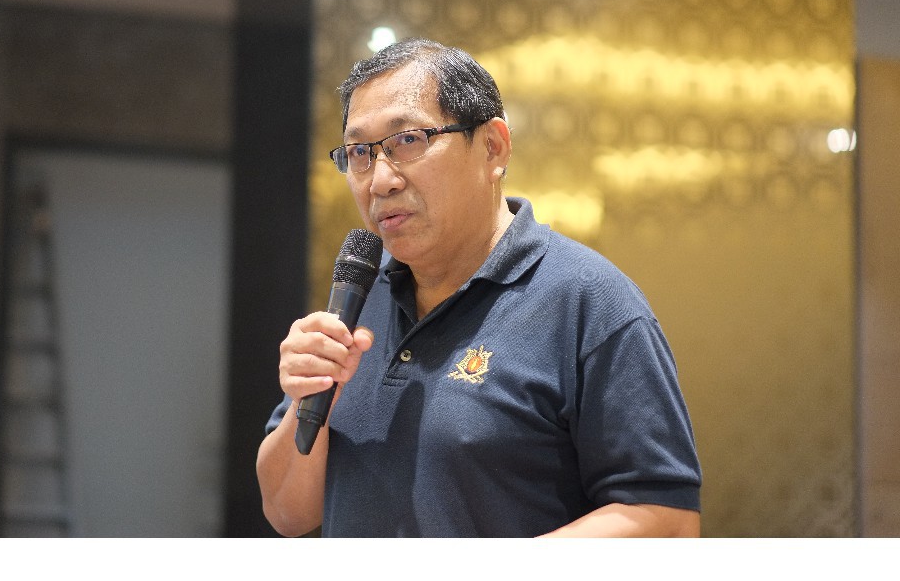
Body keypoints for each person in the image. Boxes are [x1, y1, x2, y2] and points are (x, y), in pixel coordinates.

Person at [256, 38, 702, 537]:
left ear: (492, 148)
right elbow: (288, 513)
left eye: (408, 140)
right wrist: (311, 399)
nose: (380, 180)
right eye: (360, 152)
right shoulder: (361, 294)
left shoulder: (589, 301)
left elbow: (669, 522)